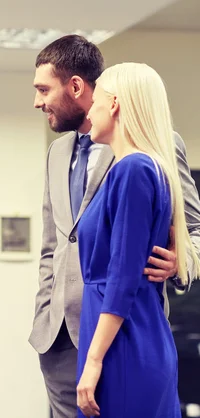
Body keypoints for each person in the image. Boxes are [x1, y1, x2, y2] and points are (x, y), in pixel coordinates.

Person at [29, 34, 200, 418]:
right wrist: (45, 310)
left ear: (76, 87)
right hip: (59, 334)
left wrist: (182, 261)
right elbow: (53, 245)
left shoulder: (147, 152)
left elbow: (190, 228)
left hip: (120, 325)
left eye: (43, 89)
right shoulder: (57, 152)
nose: (37, 102)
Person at [75, 62, 200, 417]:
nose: (91, 110)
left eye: (95, 100)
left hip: (124, 338)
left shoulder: (134, 169)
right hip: (116, 330)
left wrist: (95, 359)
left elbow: (123, 276)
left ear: (113, 104)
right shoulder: (133, 167)